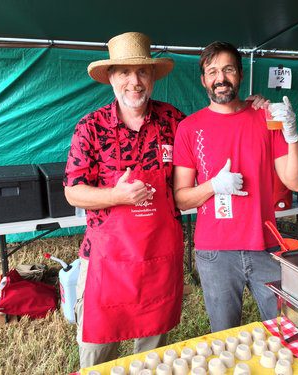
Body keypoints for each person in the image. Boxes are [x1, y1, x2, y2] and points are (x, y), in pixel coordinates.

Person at [63, 31, 186, 368]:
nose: (135, 82)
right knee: (96, 353)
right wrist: (116, 195)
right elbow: (73, 190)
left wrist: (246, 110)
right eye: (124, 73)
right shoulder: (89, 127)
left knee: (152, 354)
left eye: (142, 72)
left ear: (152, 77)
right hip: (106, 259)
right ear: (111, 78)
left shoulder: (174, 122)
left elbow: (207, 147)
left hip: (160, 255)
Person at [172, 41, 298, 332]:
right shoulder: (189, 128)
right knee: (225, 335)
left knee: (285, 330)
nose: (220, 78)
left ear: (240, 75)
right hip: (215, 253)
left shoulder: (265, 117)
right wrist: (213, 186)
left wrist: (293, 136)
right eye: (212, 71)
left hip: (264, 245)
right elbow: (182, 199)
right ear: (204, 80)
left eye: (228, 69)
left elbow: (295, 181)